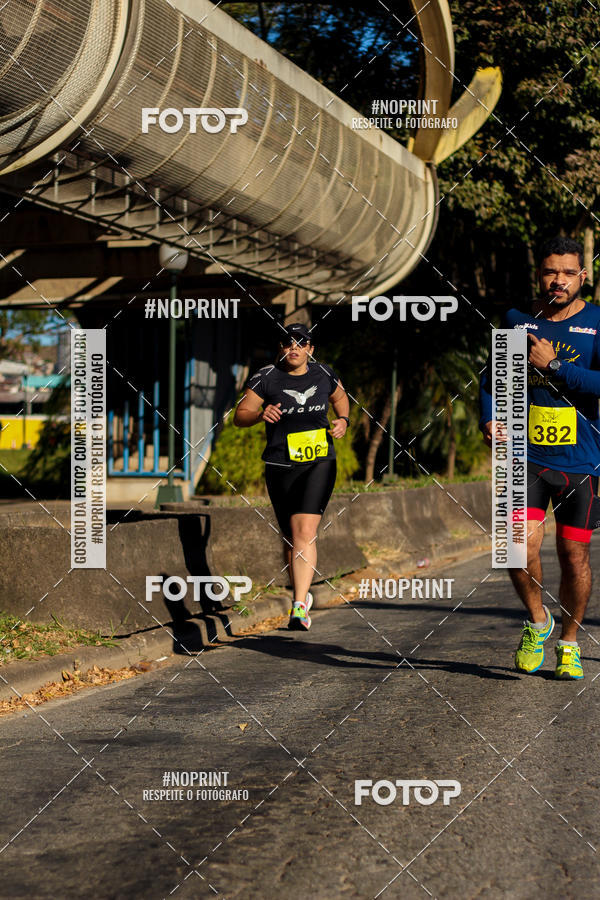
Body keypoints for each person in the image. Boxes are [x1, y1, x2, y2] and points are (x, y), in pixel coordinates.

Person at [480, 235, 600, 680]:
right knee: (515, 547)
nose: (559, 280)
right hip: (524, 455)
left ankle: (569, 642)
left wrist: (555, 366)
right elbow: (493, 379)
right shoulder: (517, 320)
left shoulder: (597, 323)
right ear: (539, 274)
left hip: (582, 459)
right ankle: (537, 621)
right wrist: (490, 417)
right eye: (551, 271)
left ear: (582, 276)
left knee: (574, 556)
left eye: (568, 272)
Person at [234, 322, 350, 631]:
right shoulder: (266, 377)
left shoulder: (324, 374)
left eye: (301, 343)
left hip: (319, 461)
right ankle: (302, 593)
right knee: (289, 537)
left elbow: (341, 398)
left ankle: (298, 606)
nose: (294, 348)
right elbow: (240, 416)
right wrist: (260, 414)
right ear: (281, 347)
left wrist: (343, 420)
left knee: (303, 531)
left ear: (310, 349)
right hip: (279, 464)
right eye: (288, 343)